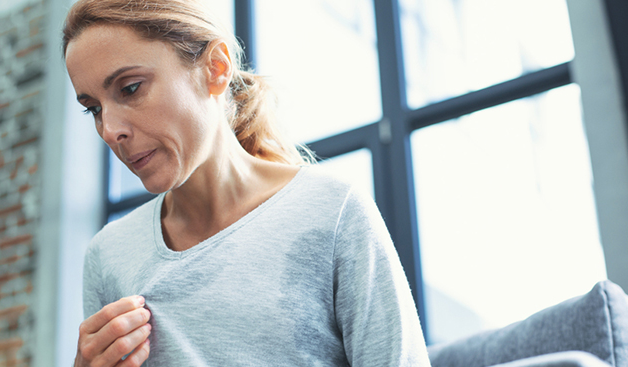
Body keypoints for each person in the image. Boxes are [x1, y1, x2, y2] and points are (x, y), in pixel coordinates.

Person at [62, 0, 431, 365]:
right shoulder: (108, 255)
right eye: (94, 108)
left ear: (216, 68)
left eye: (130, 89)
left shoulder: (332, 212)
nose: (110, 131)